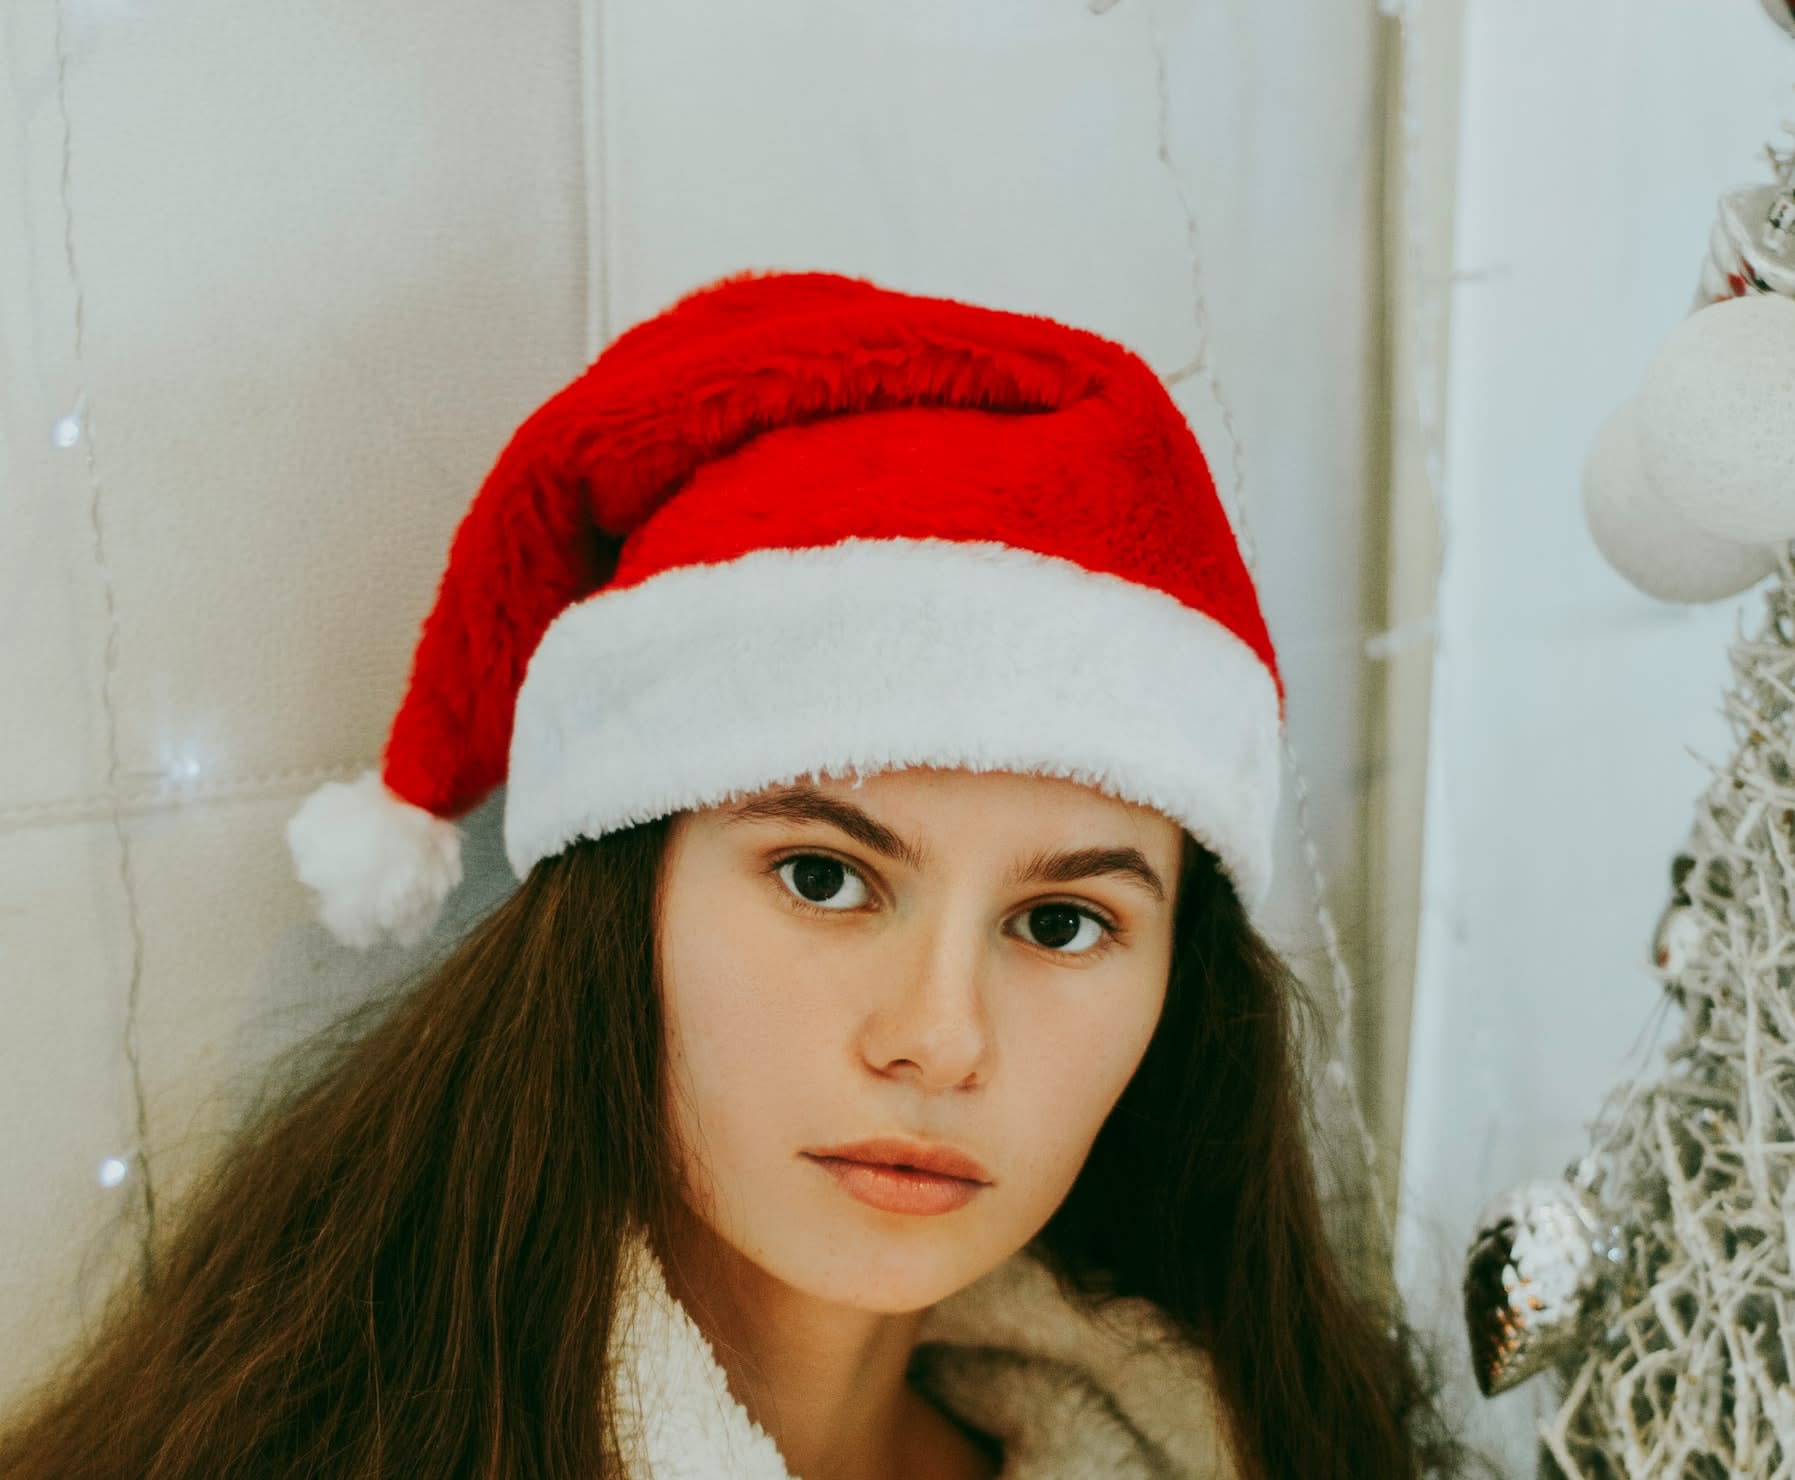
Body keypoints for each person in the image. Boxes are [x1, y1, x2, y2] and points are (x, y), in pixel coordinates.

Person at [0, 269, 1474, 1478]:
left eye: (1064, 920)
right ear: (614, 906)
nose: (938, 1037)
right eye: (826, 880)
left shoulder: (1240, 1444)